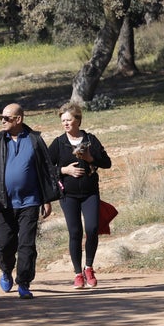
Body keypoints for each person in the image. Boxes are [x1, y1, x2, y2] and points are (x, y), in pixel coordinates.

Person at [0, 102, 60, 299]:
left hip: (30, 202)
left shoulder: (34, 140)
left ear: (18, 119)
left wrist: (46, 199)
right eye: (1, 117)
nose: (2, 121)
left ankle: (24, 282)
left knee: (27, 244)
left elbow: (44, 171)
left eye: (6, 118)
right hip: (3, 202)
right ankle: (6, 271)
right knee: (5, 244)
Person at [48, 102, 112, 289]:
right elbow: (46, 168)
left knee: (92, 229)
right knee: (75, 232)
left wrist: (91, 159)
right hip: (68, 195)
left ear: (78, 120)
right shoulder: (59, 143)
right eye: (63, 121)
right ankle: (77, 274)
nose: (65, 124)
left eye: (69, 120)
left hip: (90, 192)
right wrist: (64, 170)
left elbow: (107, 163)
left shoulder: (91, 140)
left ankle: (89, 268)